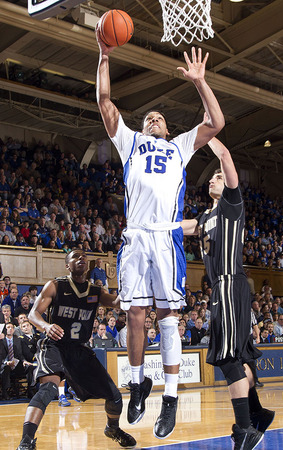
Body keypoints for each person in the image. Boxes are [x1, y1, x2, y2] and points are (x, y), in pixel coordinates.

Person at [96, 27, 225, 438]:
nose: (153, 119)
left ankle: (169, 398)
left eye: (160, 118)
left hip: (166, 236)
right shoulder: (130, 142)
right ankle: (138, 384)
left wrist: (201, 82)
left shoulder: (180, 147)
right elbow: (104, 102)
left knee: (168, 318)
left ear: (168, 130)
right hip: (135, 235)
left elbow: (217, 121)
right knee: (133, 314)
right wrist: (104, 54)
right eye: (149, 116)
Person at [181, 136, 274, 449]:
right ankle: (258, 413)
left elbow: (223, 154)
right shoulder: (205, 218)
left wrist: (206, 130)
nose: (213, 178)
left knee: (228, 358)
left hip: (231, 283)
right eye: (211, 178)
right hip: (220, 289)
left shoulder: (232, 205)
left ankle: (245, 427)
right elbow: (177, 227)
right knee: (237, 359)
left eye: (217, 176)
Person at [16, 249, 136, 450]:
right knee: (48, 389)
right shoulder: (55, 285)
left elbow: (117, 304)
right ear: (67, 265)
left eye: (84, 256)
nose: (81, 258)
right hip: (55, 345)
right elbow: (33, 314)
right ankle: (26, 441)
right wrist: (46, 326)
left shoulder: (95, 291)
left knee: (114, 396)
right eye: (75, 256)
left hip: (80, 350)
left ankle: (113, 429)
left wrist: (128, 284)